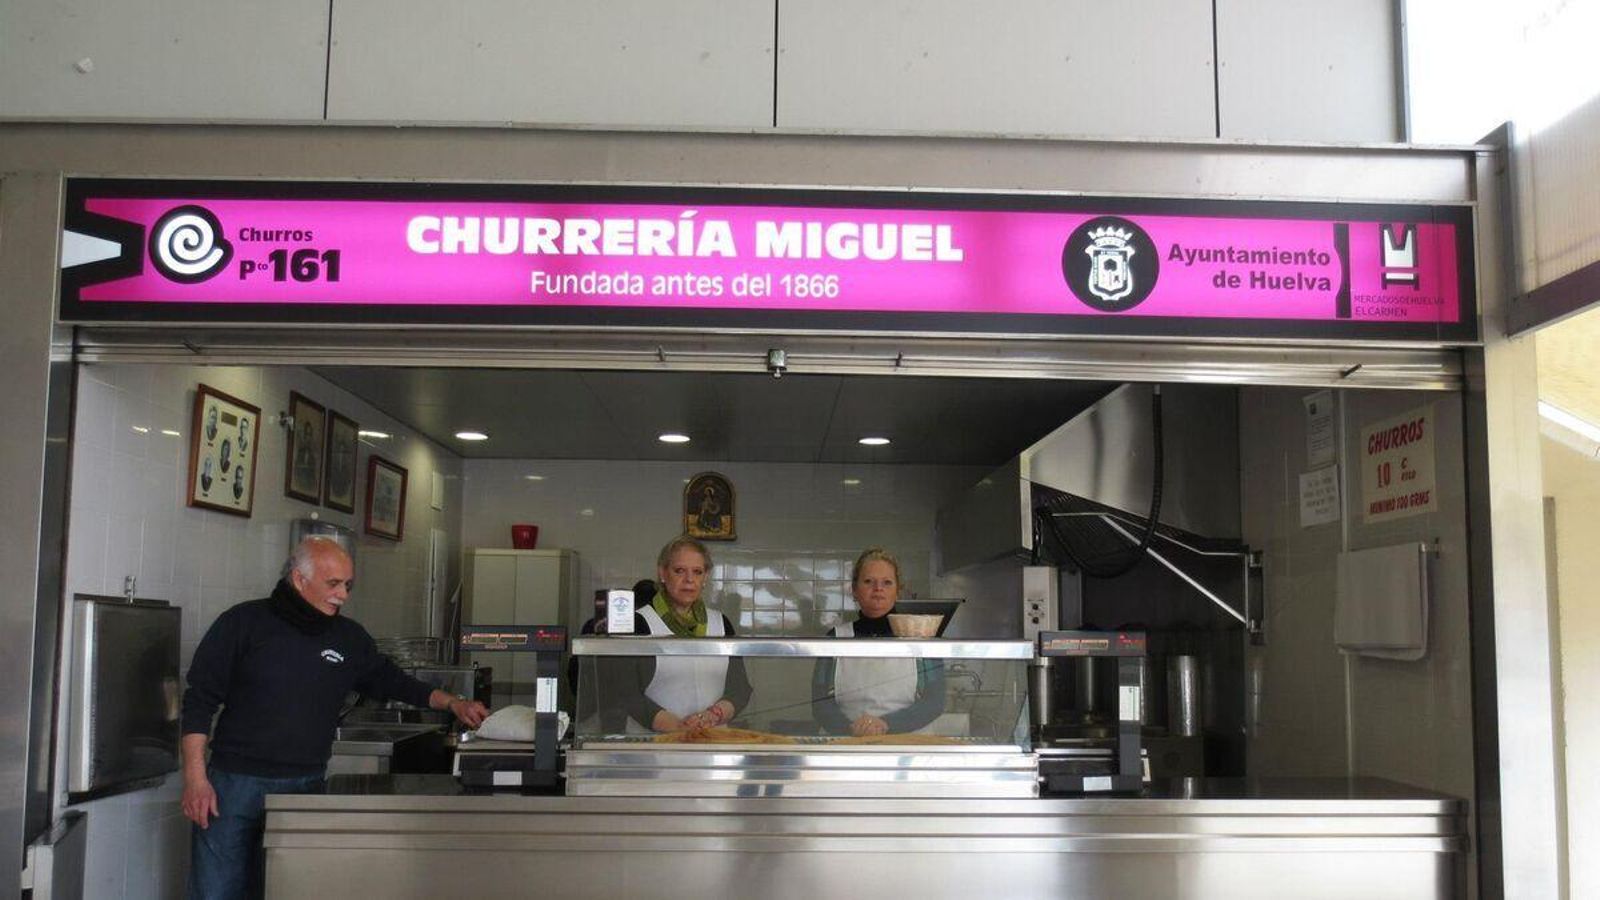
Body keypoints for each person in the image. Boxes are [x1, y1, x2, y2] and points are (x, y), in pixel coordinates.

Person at [180, 537, 488, 899]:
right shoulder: (243, 623)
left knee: (290, 890)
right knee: (217, 891)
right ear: (299, 579)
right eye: (333, 584)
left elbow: (394, 682)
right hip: (233, 785)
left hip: (304, 785)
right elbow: (199, 700)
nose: (342, 594)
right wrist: (196, 779)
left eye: (347, 585)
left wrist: (453, 703)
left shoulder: (348, 638)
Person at [611, 536, 752, 733]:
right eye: (679, 571)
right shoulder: (637, 623)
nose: (689, 580)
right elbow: (625, 693)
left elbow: (740, 688)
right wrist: (679, 727)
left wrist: (712, 716)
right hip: (653, 744)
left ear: (705, 577)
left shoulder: (721, 623)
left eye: (697, 572)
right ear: (662, 573)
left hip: (710, 739)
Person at [812, 548, 945, 736]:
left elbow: (934, 702)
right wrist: (850, 728)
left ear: (898, 591)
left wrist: (886, 724)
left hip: (908, 747)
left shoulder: (921, 638)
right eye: (868, 581)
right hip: (846, 745)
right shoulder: (835, 638)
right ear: (854, 590)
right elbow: (820, 704)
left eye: (887, 582)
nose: (878, 589)